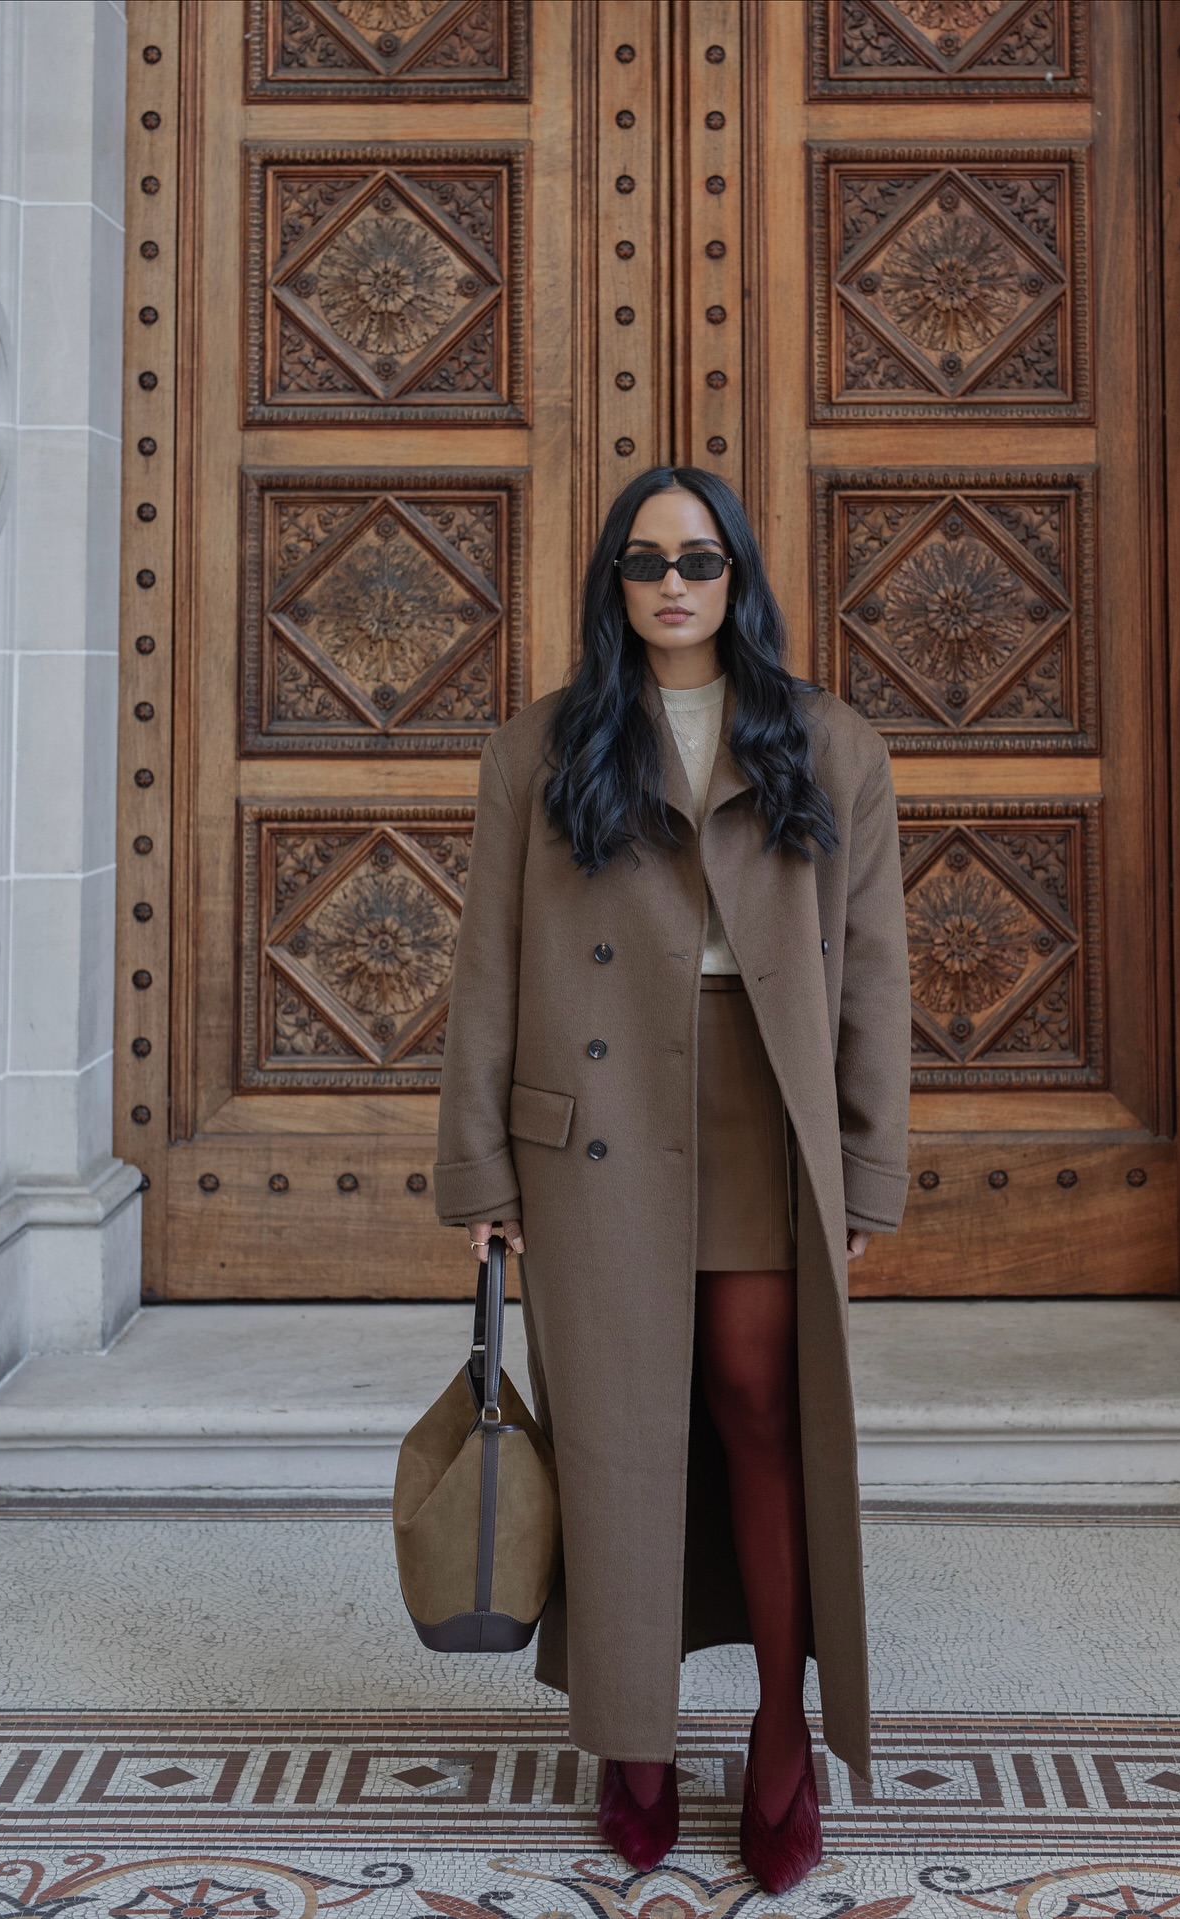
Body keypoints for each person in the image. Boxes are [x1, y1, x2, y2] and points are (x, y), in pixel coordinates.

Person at [432, 466, 910, 1891]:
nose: (674, 585)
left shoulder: (829, 745)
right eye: (645, 563)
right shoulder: (542, 748)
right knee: (620, 1431)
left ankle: (778, 1727)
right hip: (597, 1109)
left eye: (698, 559)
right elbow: (487, 963)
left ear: (738, 576)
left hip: (763, 1099)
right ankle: (634, 1732)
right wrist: (477, 1169)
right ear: (615, 585)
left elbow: (872, 972)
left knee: (759, 1405)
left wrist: (869, 1167)